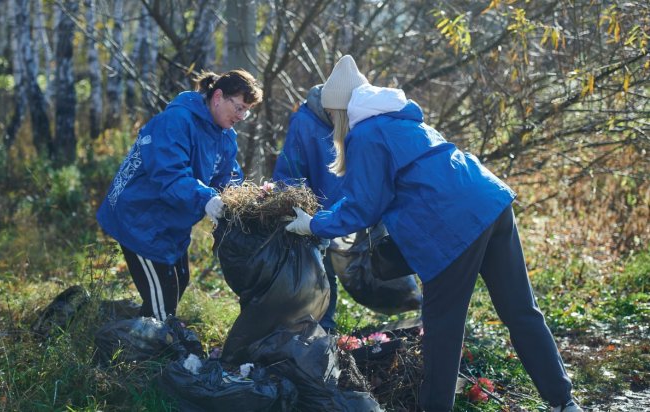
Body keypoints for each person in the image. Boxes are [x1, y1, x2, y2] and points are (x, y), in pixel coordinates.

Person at [285, 55, 582, 412]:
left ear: (341, 110)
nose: (333, 122)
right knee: (521, 310)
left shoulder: (365, 133)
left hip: (453, 224)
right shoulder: (401, 118)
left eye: (333, 115)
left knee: (443, 327)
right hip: (490, 200)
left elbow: (364, 206)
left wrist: (313, 224)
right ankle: (564, 402)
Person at [97, 69, 263, 321]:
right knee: (162, 303)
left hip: (171, 222)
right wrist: (206, 198)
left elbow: (227, 178)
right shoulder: (176, 121)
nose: (242, 116)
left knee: (179, 282)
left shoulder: (225, 136)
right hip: (139, 218)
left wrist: (249, 199)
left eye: (246, 111)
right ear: (218, 97)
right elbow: (169, 175)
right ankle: (145, 355)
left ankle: (124, 327)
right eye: (239, 107)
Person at [272, 84, 341, 332]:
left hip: (341, 210)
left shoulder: (354, 120)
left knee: (332, 269)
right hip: (312, 212)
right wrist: (300, 207)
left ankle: (325, 327)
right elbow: (290, 169)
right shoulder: (304, 122)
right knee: (320, 271)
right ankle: (316, 327)